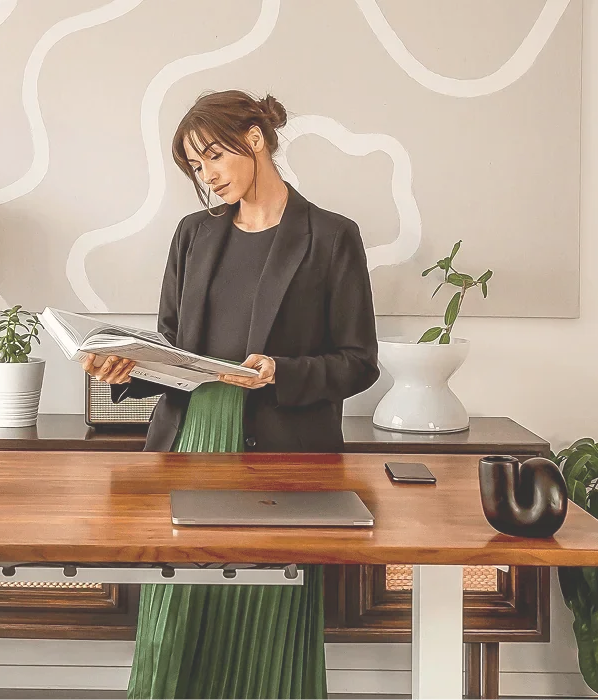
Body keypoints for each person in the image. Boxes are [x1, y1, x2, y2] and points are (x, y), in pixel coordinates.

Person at [80, 89, 380, 700]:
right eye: (196, 167)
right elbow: (170, 348)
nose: (207, 176)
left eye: (213, 156)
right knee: (174, 617)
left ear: (255, 138)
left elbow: (358, 363)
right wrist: (126, 369)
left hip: (282, 453)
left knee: (268, 618)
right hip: (190, 444)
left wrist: (279, 372)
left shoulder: (331, 236)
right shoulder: (194, 234)